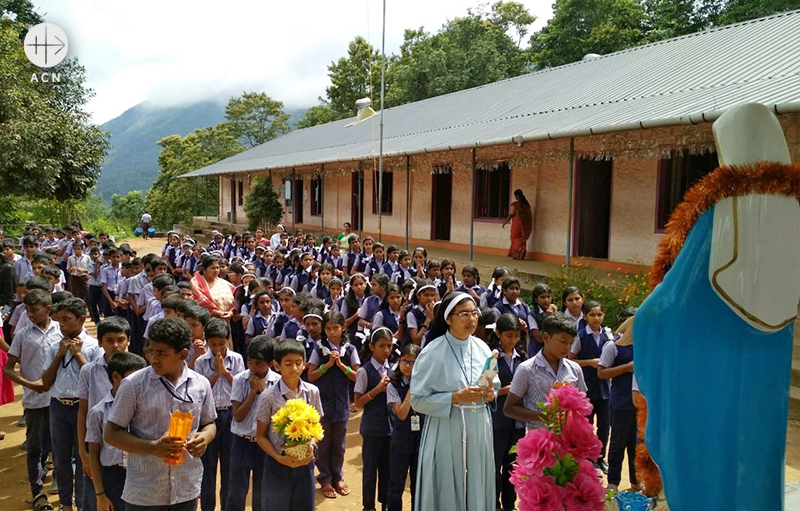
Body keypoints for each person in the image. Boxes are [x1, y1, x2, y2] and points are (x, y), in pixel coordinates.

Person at [104, 317, 217, 511]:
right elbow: (112, 433)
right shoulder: (134, 385)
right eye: (150, 351)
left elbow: (210, 423)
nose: (153, 358)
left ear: (183, 354)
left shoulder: (201, 384)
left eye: (162, 353)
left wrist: (204, 438)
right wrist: (153, 447)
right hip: (146, 492)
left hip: (186, 486)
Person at [409, 291, 498, 511]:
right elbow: (417, 401)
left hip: (478, 428)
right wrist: (455, 397)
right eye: (464, 314)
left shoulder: (482, 348)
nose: (471, 319)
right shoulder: (432, 351)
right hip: (446, 428)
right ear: (448, 318)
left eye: (474, 313)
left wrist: (490, 394)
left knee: (477, 481)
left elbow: (494, 386)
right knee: (447, 486)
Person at [41, 298, 101, 511]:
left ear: (82, 319)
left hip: (81, 408)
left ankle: (84, 503)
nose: (62, 325)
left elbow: (97, 381)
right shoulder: (55, 344)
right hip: (58, 406)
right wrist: (59, 354)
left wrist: (78, 355)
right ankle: (66, 503)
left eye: (67, 320)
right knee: (61, 457)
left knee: (84, 458)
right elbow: (46, 381)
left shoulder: (94, 346)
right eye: (59, 321)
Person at [4, 289, 61, 511]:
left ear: (48, 309)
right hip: (35, 401)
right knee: (36, 447)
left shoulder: (60, 331)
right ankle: (37, 492)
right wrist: (29, 385)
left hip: (59, 399)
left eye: (34, 310)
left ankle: (60, 480)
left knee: (60, 445)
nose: (30, 314)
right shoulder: (23, 335)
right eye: (27, 310)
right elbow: (9, 368)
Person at [255, 339, 322, 511]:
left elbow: (317, 427)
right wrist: (279, 458)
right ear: (277, 366)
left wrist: (312, 447)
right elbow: (260, 436)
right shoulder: (267, 397)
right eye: (288, 364)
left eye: (298, 363)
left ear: (304, 364)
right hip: (277, 463)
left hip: (305, 463)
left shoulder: (312, 392)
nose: (294, 368)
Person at [77, 316, 131, 511]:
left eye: (121, 339)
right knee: (99, 499)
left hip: (132, 452)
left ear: (129, 341)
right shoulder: (88, 371)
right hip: (100, 446)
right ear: (100, 342)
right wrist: (83, 452)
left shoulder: (140, 370)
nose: (116, 345)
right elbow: (83, 412)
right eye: (109, 340)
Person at [307, 310, 359, 499]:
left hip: (342, 403)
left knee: (340, 444)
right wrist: (327, 365)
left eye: (335, 328)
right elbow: (311, 376)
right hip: (322, 403)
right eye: (328, 328)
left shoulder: (350, 350)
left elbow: (357, 376)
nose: (331, 332)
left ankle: (338, 476)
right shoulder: (319, 349)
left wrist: (342, 366)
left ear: (343, 327)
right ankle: (325, 478)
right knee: (324, 442)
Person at [86, 351, 147, 511]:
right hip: (113, 477)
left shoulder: (146, 408)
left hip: (141, 473)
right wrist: (100, 495)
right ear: (115, 377)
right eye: (133, 378)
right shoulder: (98, 412)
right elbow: (93, 454)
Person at [503, 314, 586, 430]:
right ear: (546, 338)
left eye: (570, 343)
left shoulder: (575, 369)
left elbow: (582, 403)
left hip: (568, 439)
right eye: (563, 342)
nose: (567, 348)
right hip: (539, 441)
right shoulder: (527, 369)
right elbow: (509, 409)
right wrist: (544, 416)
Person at [196, 319, 245, 511]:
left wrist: (226, 373)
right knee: (207, 468)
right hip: (209, 419)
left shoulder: (237, 359)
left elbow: (241, 388)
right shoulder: (201, 362)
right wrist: (216, 373)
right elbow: (200, 391)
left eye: (221, 343)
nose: (217, 348)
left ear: (228, 340)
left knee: (229, 467)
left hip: (231, 416)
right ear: (206, 341)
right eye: (213, 344)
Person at [227, 336, 280, 511]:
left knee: (261, 492)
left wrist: (264, 392)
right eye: (250, 361)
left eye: (259, 363)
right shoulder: (240, 380)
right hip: (241, 442)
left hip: (265, 444)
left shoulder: (278, 383)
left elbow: (277, 419)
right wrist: (252, 392)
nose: (253, 367)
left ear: (270, 363)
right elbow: (238, 416)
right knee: (236, 493)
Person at [598, 306, 639, 496]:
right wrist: (626, 368)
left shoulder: (642, 346)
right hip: (621, 401)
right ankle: (613, 481)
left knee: (636, 444)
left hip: (639, 403)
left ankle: (636, 481)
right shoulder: (612, 346)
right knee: (618, 442)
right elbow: (602, 372)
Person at [488, 314, 526, 511]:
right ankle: (494, 504)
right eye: (508, 335)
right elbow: (484, 390)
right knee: (494, 467)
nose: (512, 340)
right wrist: (507, 390)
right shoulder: (491, 358)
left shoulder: (523, 358)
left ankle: (510, 504)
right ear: (498, 334)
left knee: (514, 467)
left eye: (516, 336)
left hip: (518, 422)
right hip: (497, 421)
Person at [569, 300, 613, 472]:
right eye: (592, 315)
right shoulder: (580, 336)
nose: (596, 318)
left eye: (599, 314)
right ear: (585, 316)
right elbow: (570, 360)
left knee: (604, 425)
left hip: (604, 388)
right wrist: (589, 363)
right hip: (587, 388)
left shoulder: (608, 336)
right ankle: (586, 459)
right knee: (586, 426)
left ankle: (600, 458)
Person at [353, 328, 394, 511]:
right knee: (370, 471)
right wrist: (377, 390)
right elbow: (358, 402)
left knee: (387, 469)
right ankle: (368, 506)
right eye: (381, 346)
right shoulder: (364, 371)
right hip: (372, 429)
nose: (386, 350)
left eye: (389, 346)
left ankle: (385, 503)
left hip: (390, 428)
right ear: (371, 347)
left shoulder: (393, 368)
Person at [386, 343, 423, 511]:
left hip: (420, 438)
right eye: (405, 361)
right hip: (401, 439)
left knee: (418, 484)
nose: (408, 366)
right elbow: (401, 413)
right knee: (396, 484)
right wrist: (412, 389)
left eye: (413, 362)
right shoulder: (392, 385)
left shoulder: (426, 384)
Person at [191, 255, 235, 320]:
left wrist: (231, 312)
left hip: (225, 321)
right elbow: (195, 305)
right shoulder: (195, 284)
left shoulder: (225, 284)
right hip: (205, 320)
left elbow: (235, 303)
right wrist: (215, 312)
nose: (216, 270)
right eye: (213, 268)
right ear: (204, 269)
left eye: (217, 268)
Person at [502, 189, 533, 260]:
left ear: (516, 196)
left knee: (515, 238)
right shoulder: (527, 205)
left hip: (517, 224)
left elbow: (511, 214)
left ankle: (518, 253)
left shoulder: (515, 205)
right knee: (522, 238)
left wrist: (505, 222)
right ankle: (522, 250)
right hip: (525, 225)